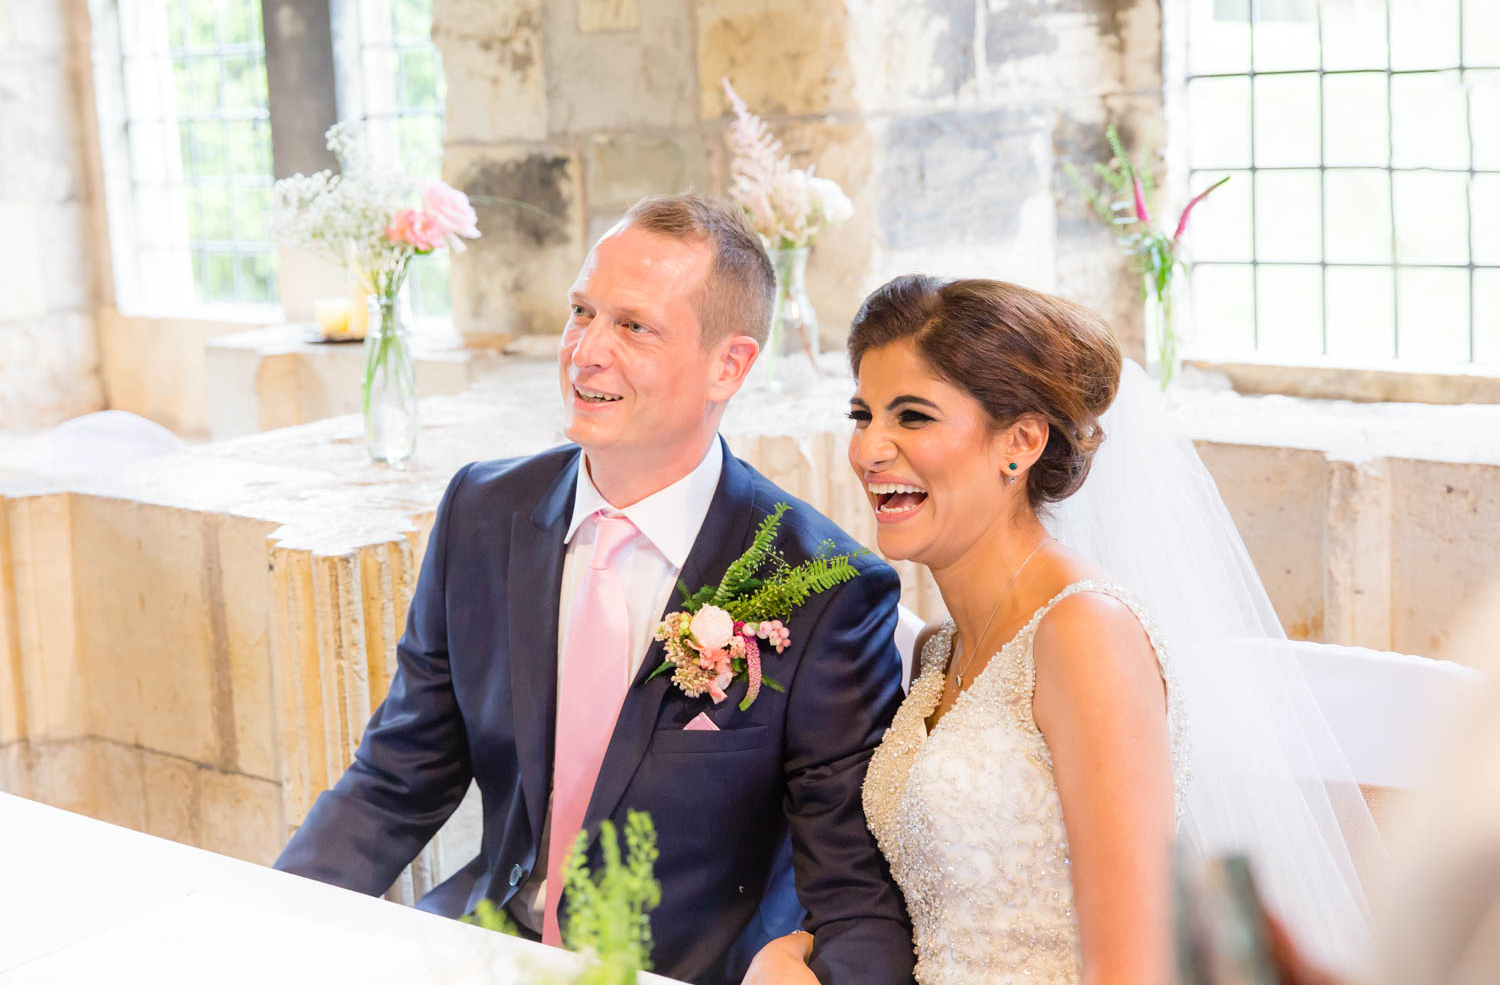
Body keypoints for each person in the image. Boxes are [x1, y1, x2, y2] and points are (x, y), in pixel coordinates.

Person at [274, 194, 915, 985]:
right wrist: (271, 924)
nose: (585, 353)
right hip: (486, 943)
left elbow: (851, 881)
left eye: (633, 326)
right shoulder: (483, 510)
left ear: (731, 365)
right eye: (582, 312)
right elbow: (397, 777)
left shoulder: (821, 587)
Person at [748, 275, 1377, 984]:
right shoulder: (938, 653)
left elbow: (1134, 968)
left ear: (1018, 443)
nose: (869, 450)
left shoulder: (1086, 635)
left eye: (913, 417)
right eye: (863, 415)